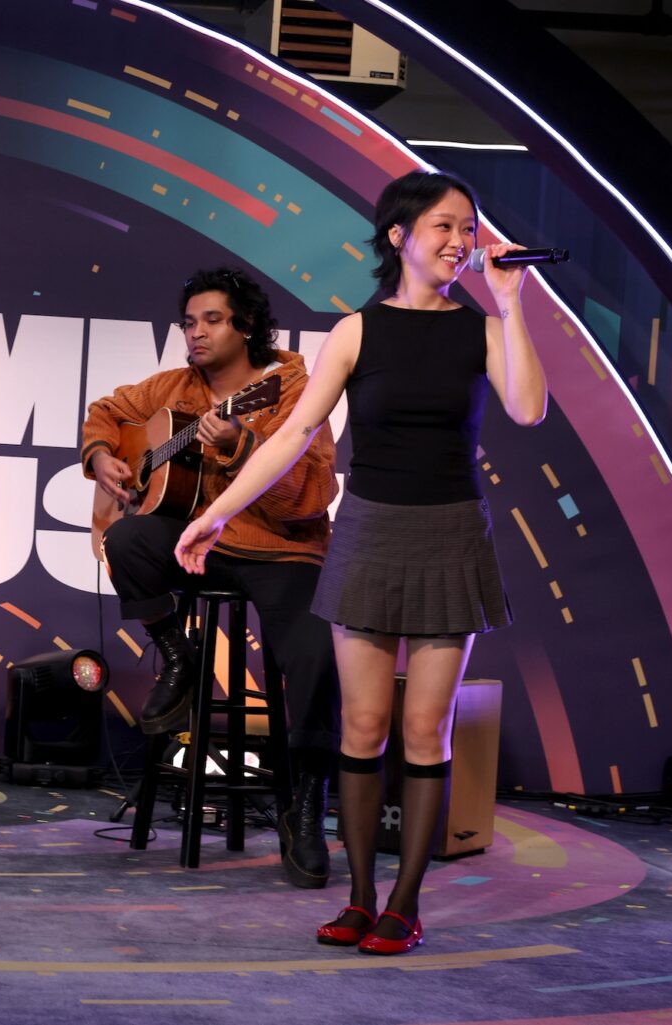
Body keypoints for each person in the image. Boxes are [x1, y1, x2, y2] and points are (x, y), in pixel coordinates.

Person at [178, 171, 546, 955]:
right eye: (445, 227)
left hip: (451, 536)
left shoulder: (478, 327)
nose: (461, 241)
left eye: (468, 228)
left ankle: (405, 903)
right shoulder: (356, 331)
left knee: (424, 727)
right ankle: (357, 897)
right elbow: (286, 439)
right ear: (399, 237)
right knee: (363, 721)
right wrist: (213, 512)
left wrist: (512, 306)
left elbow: (527, 406)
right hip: (371, 532)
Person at [81, 267, 341, 888]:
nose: (195, 333)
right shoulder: (174, 387)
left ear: (246, 326)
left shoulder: (290, 386)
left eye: (212, 321)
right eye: (188, 322)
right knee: (126, 538)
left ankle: (305, 802)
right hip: (202, 547)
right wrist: (100, 458)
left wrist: (240, 444)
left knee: (313, 657)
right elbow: (105, 414)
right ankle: (180, 656)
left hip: (281, 550)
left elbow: (307, 497)